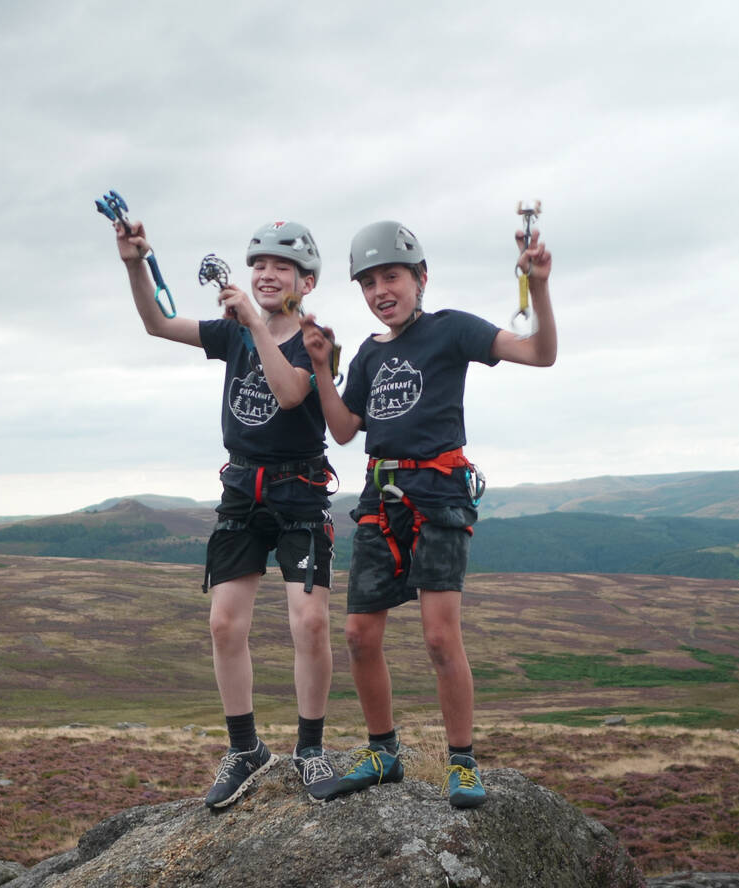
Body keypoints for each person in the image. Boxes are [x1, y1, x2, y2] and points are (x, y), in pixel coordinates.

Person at [300, 220, 555, 808]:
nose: (379, 291)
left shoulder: (451, 330)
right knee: (359, 635)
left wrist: (537, 286)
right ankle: (384, 754)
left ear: (420, 277)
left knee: (441, 640)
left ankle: (461, 763)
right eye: (368, 282)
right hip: (378, 498)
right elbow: (343, 431)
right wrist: (321, 367)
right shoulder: (365, 353)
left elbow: (539, 354)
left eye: (391, 276)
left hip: (439, 497)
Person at [114, 218, 338, 809]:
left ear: (306, 284)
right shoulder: (234, 331)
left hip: (300, 491)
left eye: (281, 267)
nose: (266, 273)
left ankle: (309, 750)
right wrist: (137, 262)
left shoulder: (317, 341)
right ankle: (245, 749)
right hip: (243, 488)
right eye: (258, 265)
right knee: (223, 624)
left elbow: (291, 393)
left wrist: (255, 326)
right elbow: (157, 323)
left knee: (309, 622)